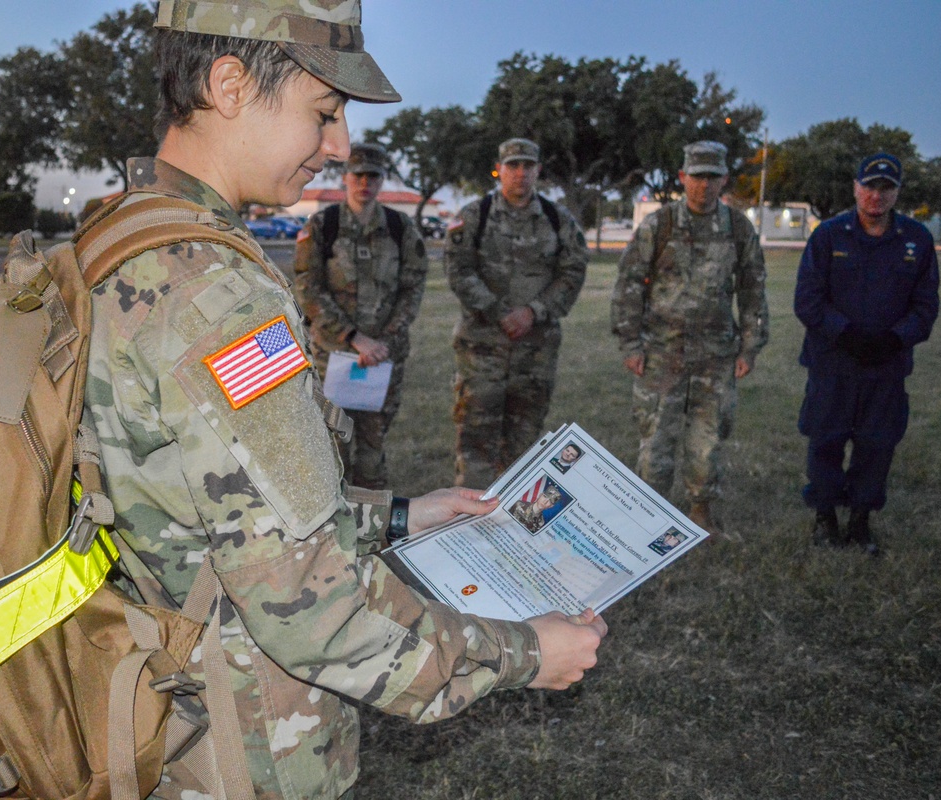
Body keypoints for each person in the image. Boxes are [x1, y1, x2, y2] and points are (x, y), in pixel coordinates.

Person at [84, 3, 608, 799]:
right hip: (236, 749)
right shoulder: (216, 299)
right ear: (229, 85)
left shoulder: (118, 238)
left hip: (148, 708)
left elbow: (203, 511)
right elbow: (315, 615)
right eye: (324, 113)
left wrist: (399, 514)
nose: (339, 147)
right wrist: (528, 651)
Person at [611, 141, 768, 534]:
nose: (704, 185)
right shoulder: (658, 225)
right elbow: (629, 285)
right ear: (683, 177)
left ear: (724, 179)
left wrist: (750, 346)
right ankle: (648, 518)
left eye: (713, 177)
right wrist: (630, 344)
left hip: (716, 356)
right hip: (662, 355)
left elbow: (752, 290)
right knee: (656, 440)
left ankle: (701, 511)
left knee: (708, 439)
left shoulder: (737, 227)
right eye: (697, 176)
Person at [794, 153, 939, 555]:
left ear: (897, 193)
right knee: (825, 440)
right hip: (833, 364)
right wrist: (846, 335)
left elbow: (926, 307)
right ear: (855, 188)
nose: (876, 195)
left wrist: (895, 339)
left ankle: (860, 520)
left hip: (887, 369)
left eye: (886, 188)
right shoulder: (828, 235)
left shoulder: (916, 239)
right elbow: (807, 301)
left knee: (877, 445)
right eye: (869, 186)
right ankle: (825, 517)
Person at [446, 138, 589, 487]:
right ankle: (468, 524)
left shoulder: (558, 220)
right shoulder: (474, 217)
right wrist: (498, 312)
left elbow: (572, 272)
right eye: (513, 166)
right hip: (483, 351)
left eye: (528, 166)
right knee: (476, 443)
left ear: (538, 170)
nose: (521, 173)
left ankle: (510, 528)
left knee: (524, 446)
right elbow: (458, 270)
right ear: (500, 170)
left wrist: (533, 311)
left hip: (534, 353)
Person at [294, 141, 428, 488]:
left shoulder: (401, 228)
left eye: (374, 176)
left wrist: (382, 341)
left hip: (383, 358)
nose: (365, 183)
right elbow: (308, 288)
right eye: (358, 175)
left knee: (373, 448)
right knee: (330, 447)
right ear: (345, 178)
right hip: (333, 357)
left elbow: (412, 288)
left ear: (383, 179)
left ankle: (372, 534)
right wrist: (353, 338)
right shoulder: (324, 225)